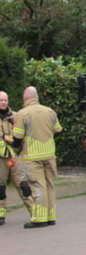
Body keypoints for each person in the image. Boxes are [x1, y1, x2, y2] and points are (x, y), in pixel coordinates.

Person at [12, 86, 63, 228]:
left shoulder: (22, 114)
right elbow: (58, 130)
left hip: (33, 156)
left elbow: (17, 138)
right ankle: (51, 217)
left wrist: (16, 147)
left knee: (37, 186)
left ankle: (39, 219)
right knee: (49, 185)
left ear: (25, 97)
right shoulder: (50, 112)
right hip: (49, 154)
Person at [0, 91, 35, 226]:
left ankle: (35, 212)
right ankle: (1, 215)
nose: (3, 102)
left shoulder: (15, 116)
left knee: (23, 185)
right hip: (1, 158)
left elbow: (23, 135)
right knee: (0, 188)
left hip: (15, 157)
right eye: (1, 100)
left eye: (5, 100)